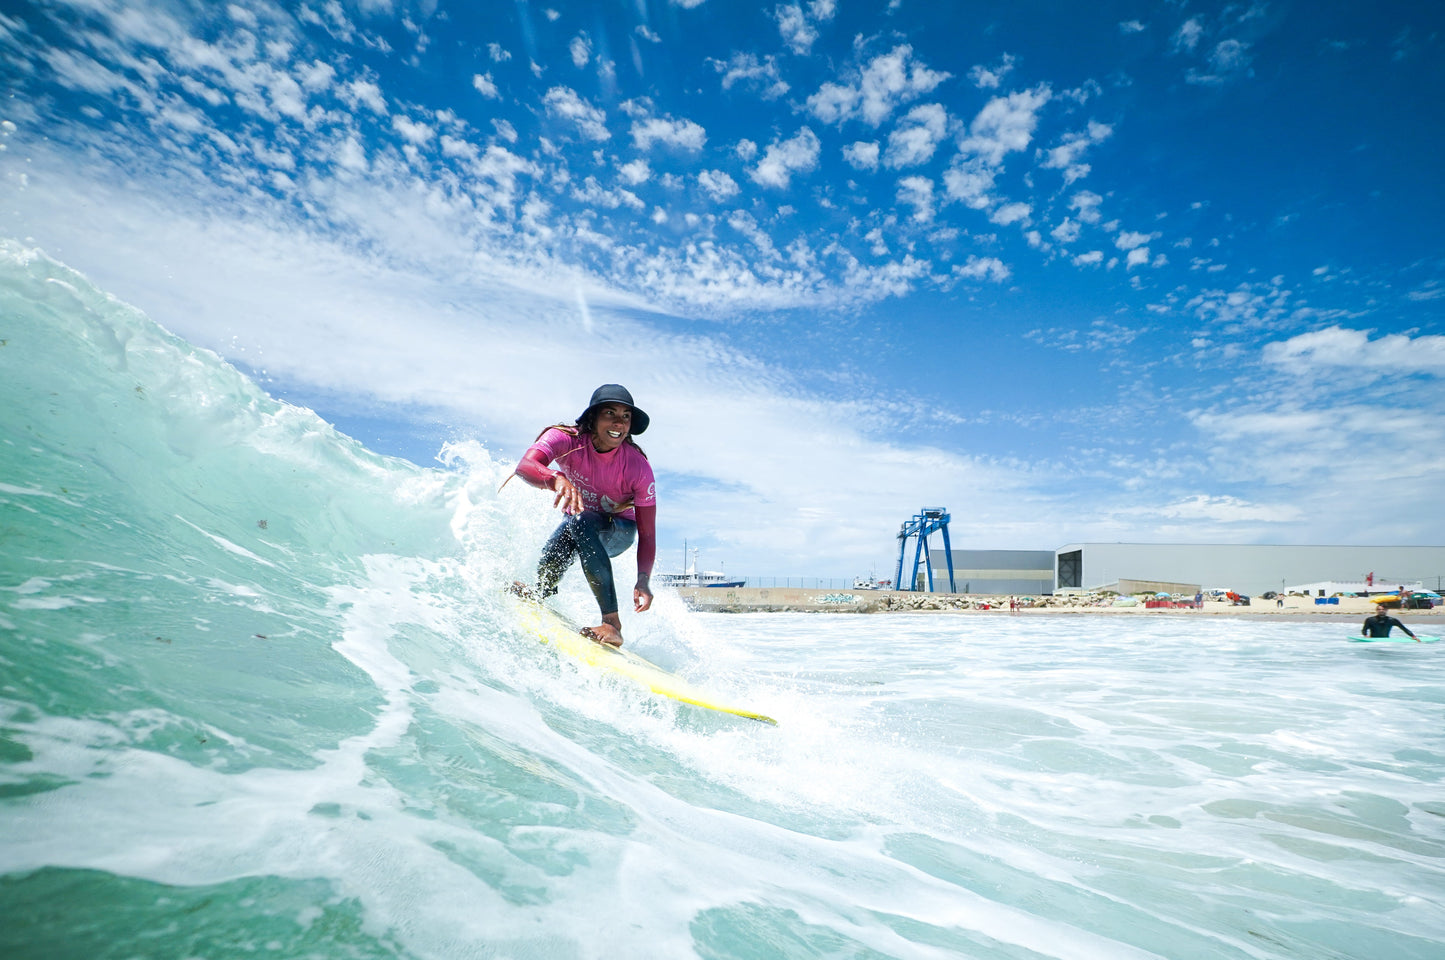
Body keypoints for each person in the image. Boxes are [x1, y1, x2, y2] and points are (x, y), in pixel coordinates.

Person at [510, 384, 656, 647]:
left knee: (580, 522)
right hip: (580, 524)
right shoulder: (566, 439)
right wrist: (555, 478)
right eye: (609, 413)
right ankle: (540, 593)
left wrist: (643, 580)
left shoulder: (637, 465)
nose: (619, 423)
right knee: (572, 527)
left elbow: (647, 533)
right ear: (592, 418)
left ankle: (612, 624)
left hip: (618, 531)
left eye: (626, 416)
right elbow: (524, 466)